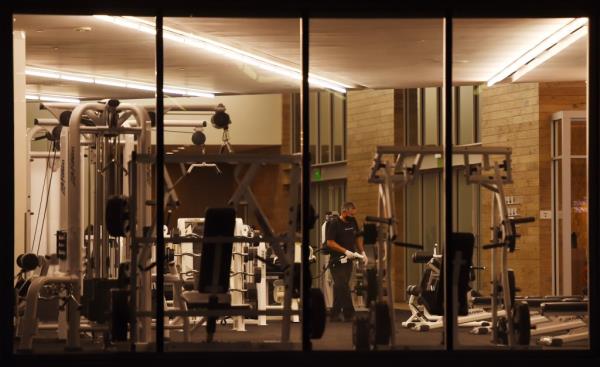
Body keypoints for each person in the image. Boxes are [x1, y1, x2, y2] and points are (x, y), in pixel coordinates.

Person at [325, 202, 368, 322]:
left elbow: (358, 237)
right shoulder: (334, 224)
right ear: (344, 211)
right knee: (342, 285)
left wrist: (362, 252)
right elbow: (330, 242)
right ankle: (350, 313)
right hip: (336, 261)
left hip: (349, 261)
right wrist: (345, 251)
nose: (353, 216)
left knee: (341, 286)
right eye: (351, 214)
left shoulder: (353, 222)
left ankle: (334, 314)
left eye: (354, 214)